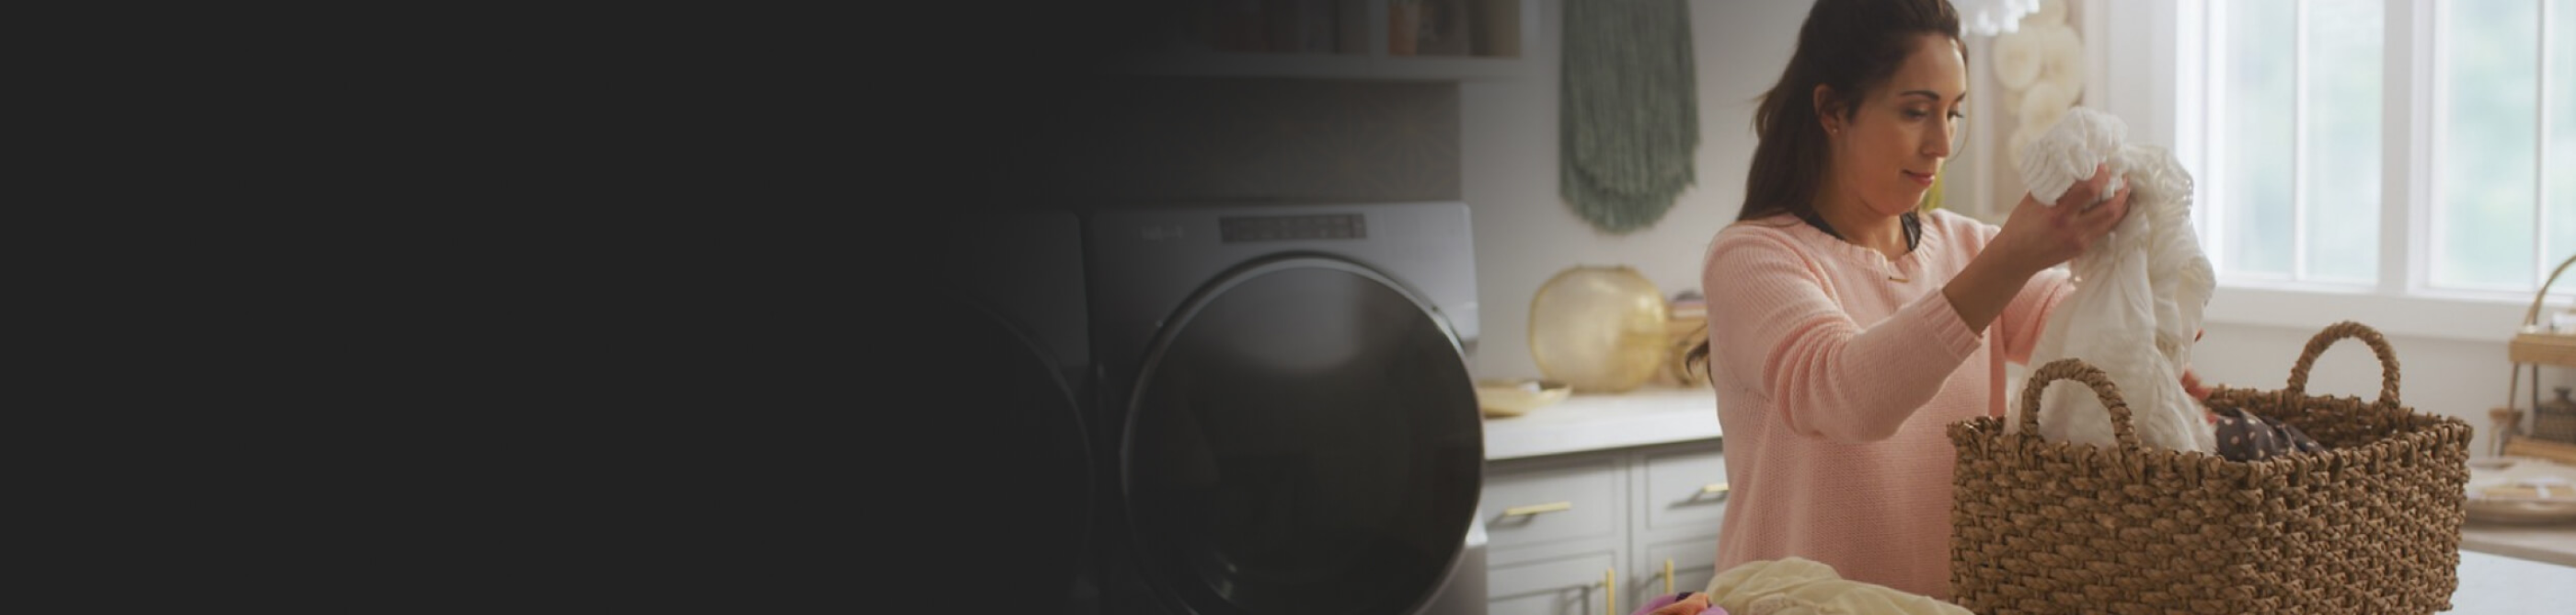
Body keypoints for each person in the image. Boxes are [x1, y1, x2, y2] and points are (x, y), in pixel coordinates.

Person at [1647, 0, 2202, 610]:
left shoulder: (1968, 246)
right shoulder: (1752, 258)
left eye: (1954, 113)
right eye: (1916, 111)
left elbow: (2090, 345)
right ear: (1833, 110)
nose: (1941, 144)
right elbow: (1845, 395)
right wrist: (2013, 256)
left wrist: (2149, 316)